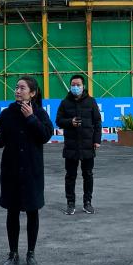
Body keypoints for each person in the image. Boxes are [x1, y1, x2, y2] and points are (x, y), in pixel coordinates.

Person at [0, 76, 54, 265]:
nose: (17, 91)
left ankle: (31, 253)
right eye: (16, 87)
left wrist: (31, 118)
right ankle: (13, 253)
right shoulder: (7, 113)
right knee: (12, 212)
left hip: (32, 171)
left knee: (33, 211)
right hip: (11, 171)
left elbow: (45, 135)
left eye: (22, 88)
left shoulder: (39, 113)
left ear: (32, 93)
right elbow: (0, 141)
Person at [55, 74, 101, 215]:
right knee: (70, 176)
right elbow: (58, 121)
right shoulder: (64, 103)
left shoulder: (91, 102)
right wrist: (70, 122)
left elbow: (97, 122)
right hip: (71, 146)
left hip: (88, 145)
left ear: (83, 86)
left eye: (78, 85)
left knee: (88, 175)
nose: (75, 87)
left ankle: (88, 203)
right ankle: (71, 203)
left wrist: (97, 140)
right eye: (73, 85)